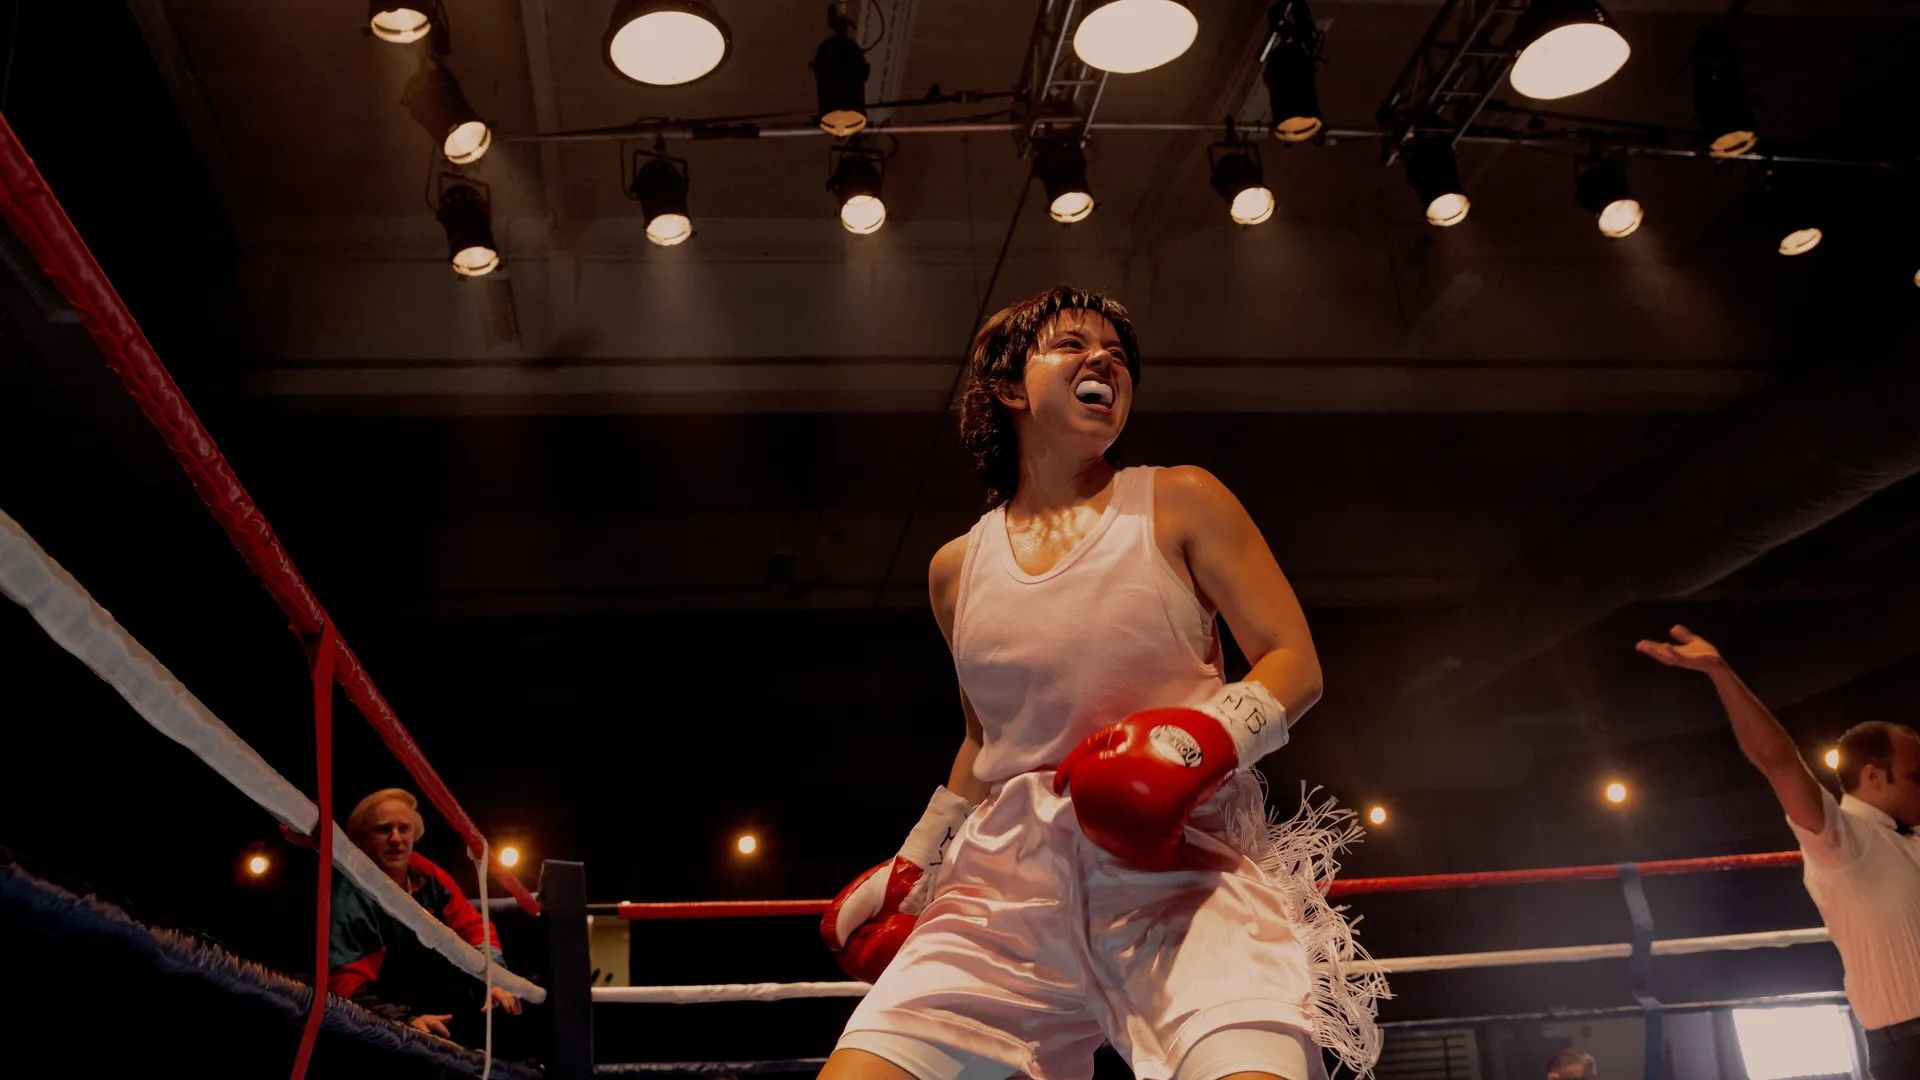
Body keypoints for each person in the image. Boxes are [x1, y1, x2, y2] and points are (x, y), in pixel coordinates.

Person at [819, 286, 1383, 1080]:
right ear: (1011, 387)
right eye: (1074, 343)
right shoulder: (956, 568)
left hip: (1180, 872)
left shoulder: (1179, 499)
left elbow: (1294, 660)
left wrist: (1196, 743)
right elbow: (986, 740)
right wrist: (920, 863)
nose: (1105, 360)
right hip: (1003, 895)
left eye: (1118, 355)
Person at [1638, 626, 1920, 1078]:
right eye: (1915, 775)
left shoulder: (1913, 838)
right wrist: (1720, 673)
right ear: (1872, 777)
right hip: (1909, 1046)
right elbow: (1778, 760)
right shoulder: (1841, 839)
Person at [328, 787, 522, 1040]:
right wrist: (404, 1022)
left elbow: (474, 928)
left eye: (404, 828)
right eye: (383, 829)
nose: (396, 838)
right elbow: (344, 985)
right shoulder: (350, 898)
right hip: (380, 1019)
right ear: (363, 839)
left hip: (428, 998)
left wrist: (495, 979)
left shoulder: (427, 874)